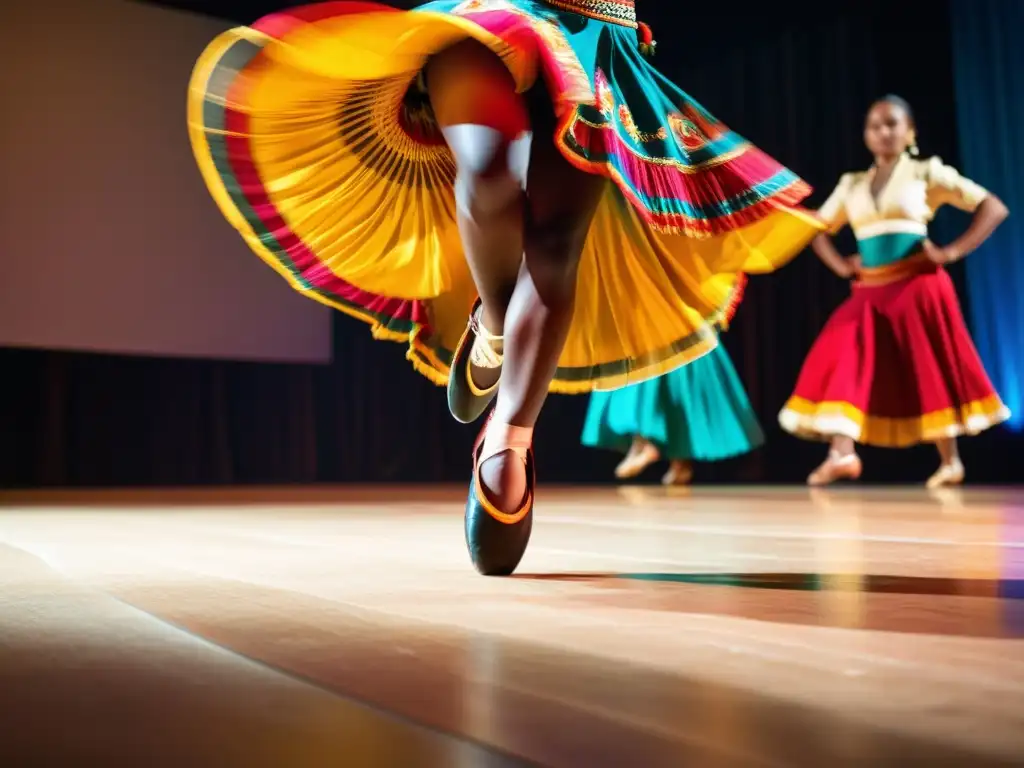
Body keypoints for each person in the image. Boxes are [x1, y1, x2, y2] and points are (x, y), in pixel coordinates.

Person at [187, 0, 822, 575]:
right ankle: (492, 322)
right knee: (491, 170)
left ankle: (508, 441)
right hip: (484, 15)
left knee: (554, 244)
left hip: (596, 35)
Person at [778, 95, 1010, 488]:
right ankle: (842, 451)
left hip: (918, 286)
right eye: (874, 125)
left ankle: (950, 460)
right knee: (841, 354)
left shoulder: (926, 172)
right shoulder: (852, 183)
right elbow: (818, 229)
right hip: (870, 291)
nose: (883, 132)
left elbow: (993, 207)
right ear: (866, 135)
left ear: (910, 132)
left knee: (927, 366)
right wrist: (840, 265)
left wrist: (951, 251)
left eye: (892, 124)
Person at [581, 289, 764, 485]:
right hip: (672, 304)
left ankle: (652, 447)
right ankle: (672, 458)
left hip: (669, 302)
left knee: (661, 370)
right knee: (679, 378)